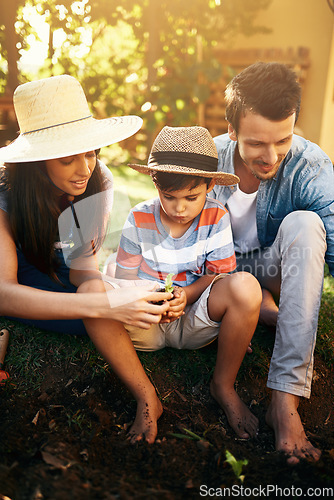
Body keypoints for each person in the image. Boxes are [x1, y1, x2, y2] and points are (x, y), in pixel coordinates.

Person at [0, 74, 174, 444]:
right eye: (67, 160)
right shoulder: (4, 196)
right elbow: (5, 292)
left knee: (108, 304)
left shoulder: (99, 181)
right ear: (37, 163)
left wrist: (100, 299)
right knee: (102, 308)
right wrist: (102, 306)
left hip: (63, 282)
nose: (85, 168)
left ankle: (148, 399)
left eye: (91, 152)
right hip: (17, 285)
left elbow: (82, 271)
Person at [211, 61, 334, 464]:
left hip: (276, 269)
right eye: (257, 144)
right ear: (232, 130)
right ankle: (258, 309)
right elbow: (178, 241)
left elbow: (332, 233)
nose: (272, 155)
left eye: (282, 140)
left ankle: (284, 400)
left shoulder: (309, 164)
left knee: (306, 223)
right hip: (219, 277)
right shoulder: (207, 159)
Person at [113, 125, 262, 439]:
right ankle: (146, 396)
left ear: (209, 185)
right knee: (95, 295)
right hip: (148, 322)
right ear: (155, 185)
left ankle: (223, 385)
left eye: (191, 197)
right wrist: (151, 299)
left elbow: (219, 276)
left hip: (195, 320)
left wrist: (188, 294)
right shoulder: (139, 218)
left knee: (246, 285)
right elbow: (124, 278)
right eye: (170, 197)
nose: (180, 208)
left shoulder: (216, 217)